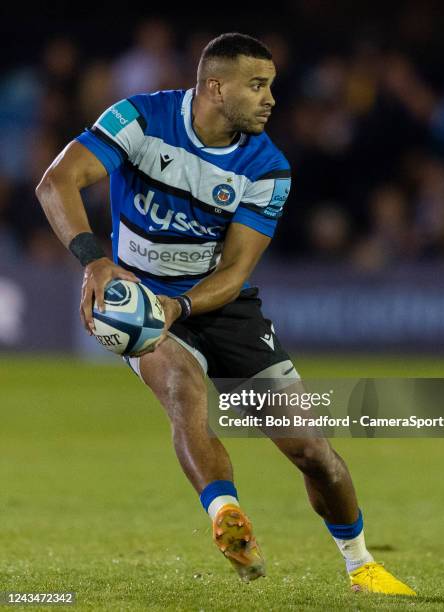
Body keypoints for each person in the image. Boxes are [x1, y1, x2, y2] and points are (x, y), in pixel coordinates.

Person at [36, 32, 415, 596]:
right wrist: (95, 263)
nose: (271, 99)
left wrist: (180, 304)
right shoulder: (139, 119)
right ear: (215, 86)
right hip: (140, 303)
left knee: (314, 452)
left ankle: (361, 564)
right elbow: (57, 182)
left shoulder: (267, 167)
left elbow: (235, 273)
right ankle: (226, 514)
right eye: (258, 85)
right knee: (183, 392)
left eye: (272, 87)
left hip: (219, 304)